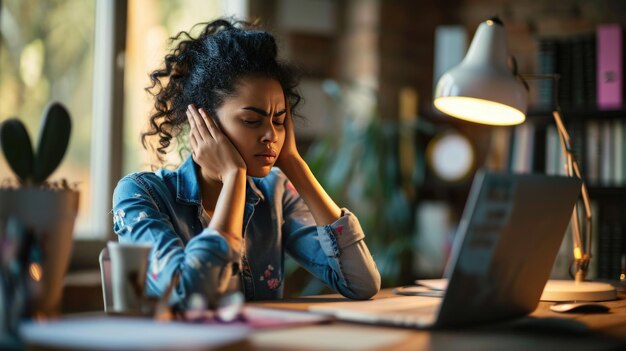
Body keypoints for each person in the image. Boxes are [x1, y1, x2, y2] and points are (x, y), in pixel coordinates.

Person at [112, 18, 380, 307]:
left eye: (279, 121)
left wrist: (294, 164)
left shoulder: (274, 192)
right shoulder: (140, 194)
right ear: (202, 121)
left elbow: (361, 282)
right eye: (251, 120)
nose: (271, 136)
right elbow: (192, 295)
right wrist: (233, 176)